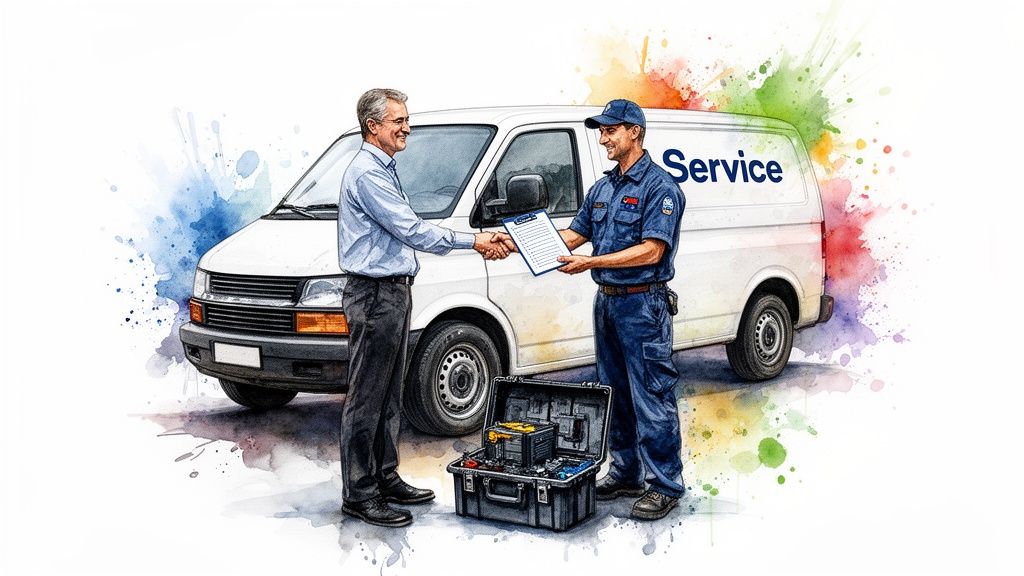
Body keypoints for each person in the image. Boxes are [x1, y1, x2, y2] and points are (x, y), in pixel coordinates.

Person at [337, 88, 510, 528]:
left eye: (406, 119)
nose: (406, 128)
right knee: (367, 398)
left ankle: (385, 477)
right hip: (374, 295)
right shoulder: (368, 173)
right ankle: (360, 494)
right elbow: (411, 230)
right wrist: (474, 241)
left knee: (389, 395)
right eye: (398, 120)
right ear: (372, 126)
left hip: (392, 294)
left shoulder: (383, 168)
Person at [555, 99, 686, 520]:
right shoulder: (603, 188)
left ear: (635, 132)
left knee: (652, 394)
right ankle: (626, 472)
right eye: (602, 131)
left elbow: (651, 250)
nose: (603, 139)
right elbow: (574, 235)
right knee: (613, 392)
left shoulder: (660, 188)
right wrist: (516, 241)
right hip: (608, 303)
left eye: (610, 131)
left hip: (643, 304)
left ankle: (664, 484)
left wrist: (591, 262)